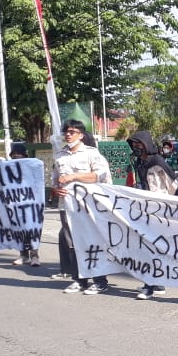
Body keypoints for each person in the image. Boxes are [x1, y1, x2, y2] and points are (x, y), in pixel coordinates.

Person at [53, 119, 112, 296]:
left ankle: (100, 280)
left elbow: (100, 176)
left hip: (88, 206)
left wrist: (73, 177)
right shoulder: (59, 155)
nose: (68, 135)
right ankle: (79, 279)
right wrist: (56, 190)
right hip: (67, 206)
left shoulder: (91, 154)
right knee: (72, 243)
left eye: (72, 132)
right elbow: (55, 179)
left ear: (81, 134)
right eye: (66, 132)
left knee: (93, 241)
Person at [127, 131, 178, 300]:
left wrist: (161, 199)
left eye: (138, 144)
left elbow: (173, 184)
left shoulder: (157, 161)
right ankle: (157, 283)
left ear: (146, 144)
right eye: (133, 145)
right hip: (145, 210)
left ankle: (149, 285)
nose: (136, 147)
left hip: (159, 210)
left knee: (151, 246)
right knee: (150, 246)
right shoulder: (139, 163)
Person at [9, 141, 40, 267]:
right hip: (15, 204)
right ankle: (23, 255)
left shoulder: (32, 166)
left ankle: (35, 255)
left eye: (19, 154)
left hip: (31, 204)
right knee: (19, 230)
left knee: (32, 229)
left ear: (25, 155)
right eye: (14, 154)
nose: (16, 156)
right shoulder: (8, 167)